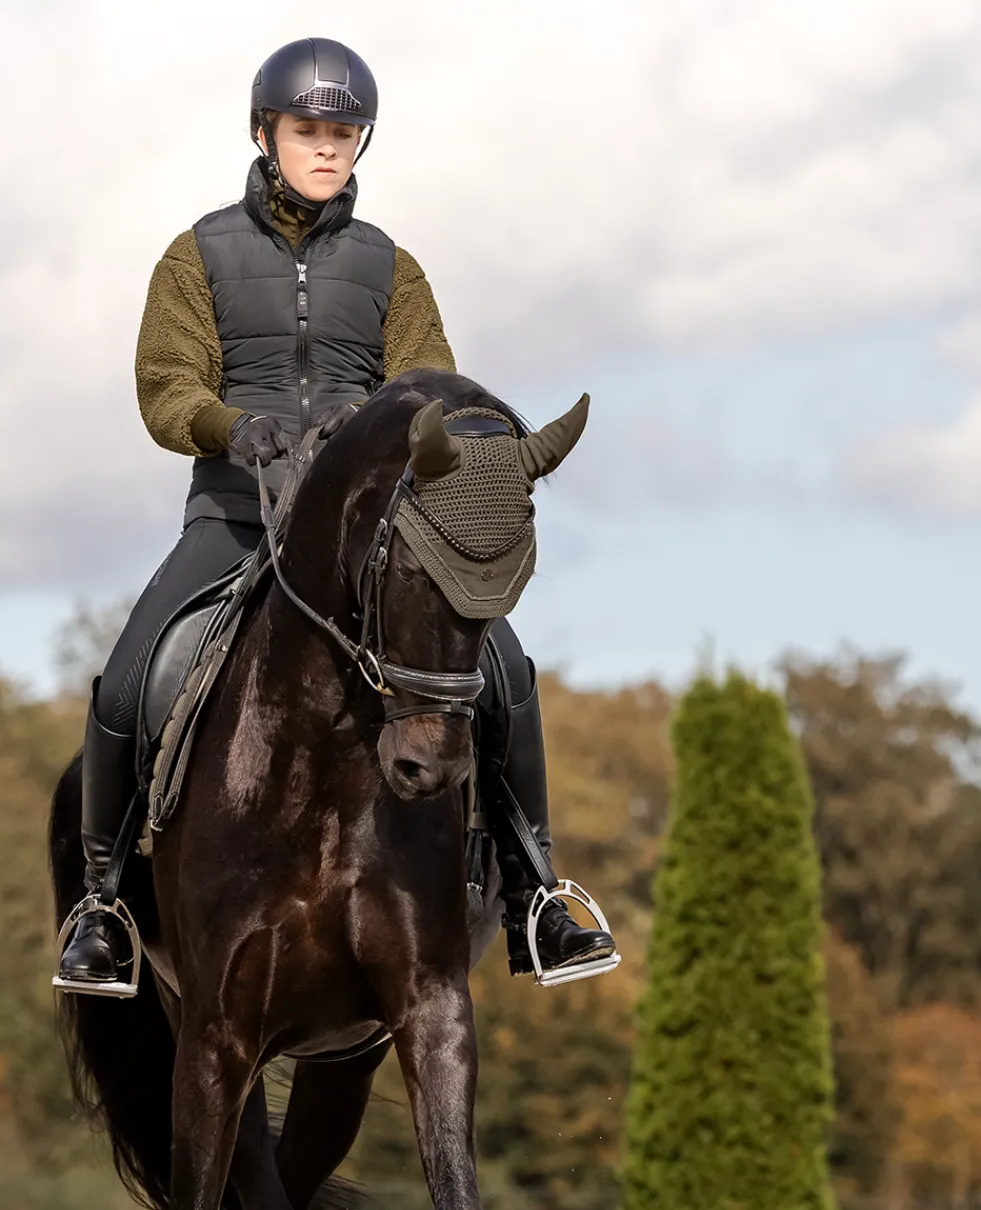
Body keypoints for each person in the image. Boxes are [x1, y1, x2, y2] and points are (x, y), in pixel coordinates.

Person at [55, 37, 617, 996]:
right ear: (265, 132)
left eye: (344, 133)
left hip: (367, 533)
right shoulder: (197, 257)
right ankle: (104, 903)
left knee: (505, 667)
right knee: (127, 681)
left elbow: (427, 389)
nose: (327, 149)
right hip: (234, 516)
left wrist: (395, 441)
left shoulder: (389, 266)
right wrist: (239, 429)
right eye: (309, 130)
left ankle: (536, 888)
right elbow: (164, 391)